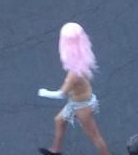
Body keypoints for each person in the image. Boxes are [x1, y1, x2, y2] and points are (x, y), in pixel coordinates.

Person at [37, 22, 109, 155]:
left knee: (94, 135)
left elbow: (61, 94)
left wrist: (44, 92)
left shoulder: (73, 74)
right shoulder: (82, 61)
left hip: (81, 106)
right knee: (59, 121)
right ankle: (54, 150)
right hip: (77, 102)